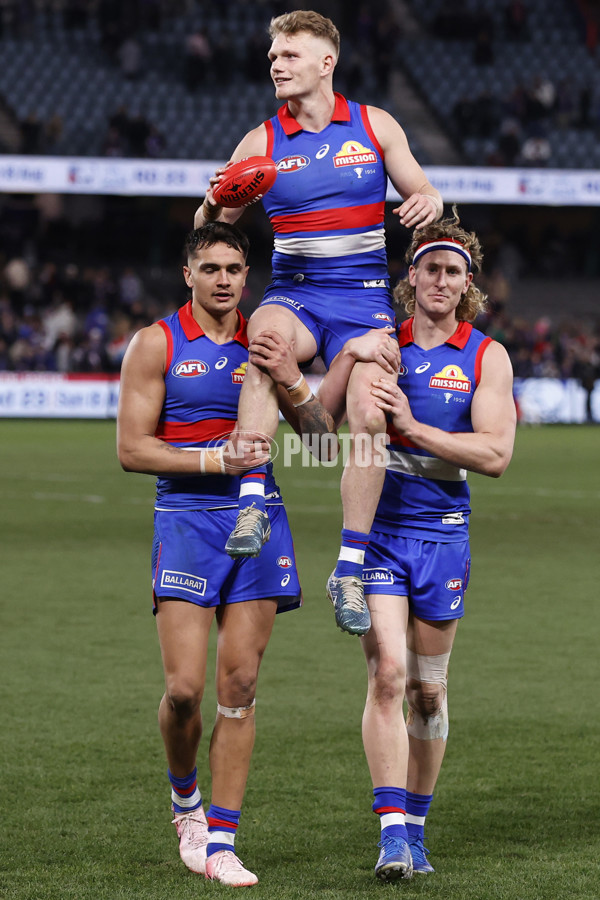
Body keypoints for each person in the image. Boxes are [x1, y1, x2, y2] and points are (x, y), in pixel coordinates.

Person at [194, 9, 442, 638]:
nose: (276, 64)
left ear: (326, 62)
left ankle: (349, 567)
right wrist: (215, 198)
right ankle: (252, 500)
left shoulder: (373, 126)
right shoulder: (260, 142)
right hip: (297, 294)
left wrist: (429, 199)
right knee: (265, 342)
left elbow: (427, 194)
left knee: (369, 416)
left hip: (364, 303)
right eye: (273, 55)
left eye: (290, 54)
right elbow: (206, 235)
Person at [116, 221, 339, 887]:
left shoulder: (267, 340)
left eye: (234, 270)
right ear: (188, 273)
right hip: (186, 520)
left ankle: (222, 841)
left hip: (259, 520)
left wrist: (294, 379)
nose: (222, 280)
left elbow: (326, 445)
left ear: (248, 277)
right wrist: (218, 457)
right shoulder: (156, 344)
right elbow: (132, 449)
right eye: (209, 268)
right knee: (185, 690)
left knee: (238, 687)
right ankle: (186, 803)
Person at [316, 210, 517, 880]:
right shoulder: (381, 344)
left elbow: (494, 455)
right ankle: (393, 833)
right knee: (388, 677)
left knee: (429, 693)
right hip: (381, 536)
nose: (440, 279)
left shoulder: (486, 357)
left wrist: (412, 427)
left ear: (467, 284)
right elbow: (318, 429)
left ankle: (419, 828)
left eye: (452, 270)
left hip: (444, 536)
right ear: (410, 275)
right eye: (430, 266)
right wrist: (346, 355)